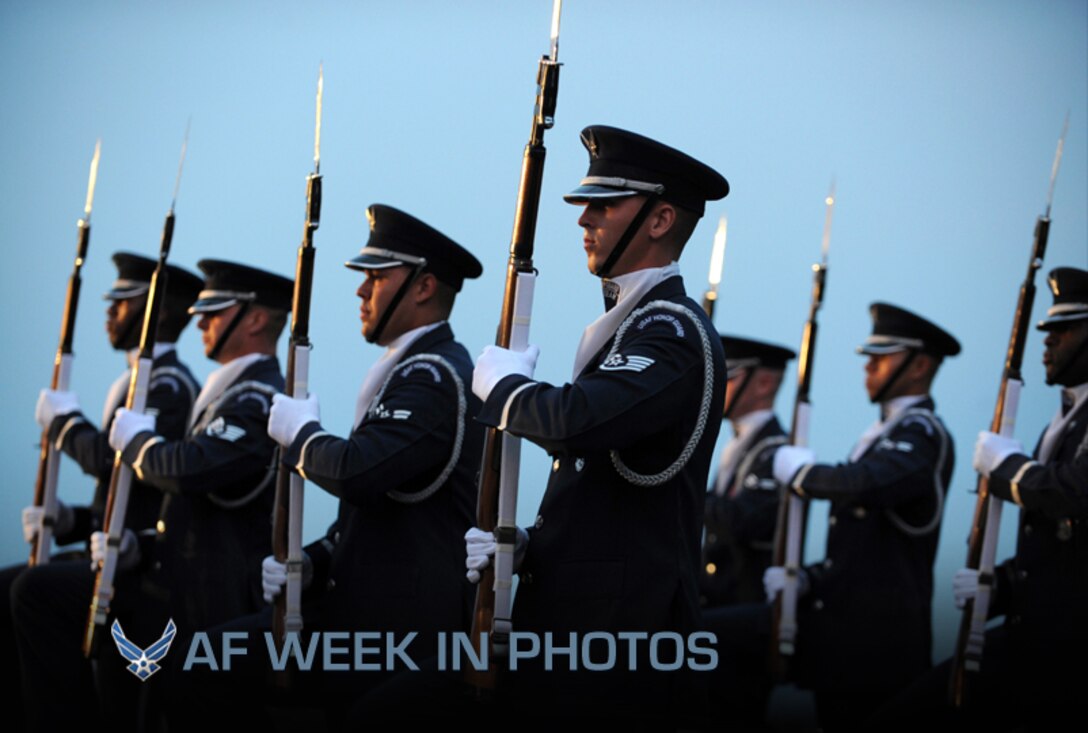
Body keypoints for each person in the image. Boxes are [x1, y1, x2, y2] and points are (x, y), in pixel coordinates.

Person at [466, 125, 729, 727]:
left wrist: (505, 388)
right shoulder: (634, 327)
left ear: (660, 220)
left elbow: (577, 424)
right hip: (584, 631)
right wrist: (531, 547)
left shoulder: (672, 331)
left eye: (605, 204)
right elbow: (607, 490)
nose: (584, 218)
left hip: (624, 644)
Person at [11, 258, 292, 732]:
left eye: (216, 311)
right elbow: (175, 504)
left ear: (257, 319)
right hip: (169, 570)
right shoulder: (230, 393)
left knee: (37, 596)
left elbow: (188, 471)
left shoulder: (255, 398)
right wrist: (103, 529)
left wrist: (117, 438)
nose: (199, 321)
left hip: (210, 588)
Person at [251, 204, 482, 725]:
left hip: (403, 633)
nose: (361, 290)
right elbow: (372, 514)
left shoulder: (434, 377)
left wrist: (302, 435)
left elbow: (360, 473)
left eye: (376, 277)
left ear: (423, 287)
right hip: (368, 620)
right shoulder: (409, 371)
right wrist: (314, 561)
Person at [875, 266, 1087, 729]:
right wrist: (1004, 587)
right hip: (1035, 631)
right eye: (1047, 329)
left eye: (1065, 329)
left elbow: (1074, 495)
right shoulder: (1069, 416)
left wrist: (1007, 468)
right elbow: (1059, 548)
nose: (1048, 341)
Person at [7, 252, 202, 733]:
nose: (110, 312)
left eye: (124, 302)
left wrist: (66, 424)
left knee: (31, 593)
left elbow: (123, 468)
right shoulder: (138, 381)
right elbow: (110, 499)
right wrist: (69, 520)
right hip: (111, 554)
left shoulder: (168, 387)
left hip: (143, 564)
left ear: (155, 311)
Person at [766, 302, 959, 731]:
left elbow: (867, 484)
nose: (868, 366)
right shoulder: (884, 435)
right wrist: (810, 578)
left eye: (882, 356)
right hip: (846, 643)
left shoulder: (922, 433)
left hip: (882, 647)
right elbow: (860, 547)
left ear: (919, 365)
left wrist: (803, 475)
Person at [702, 335, 796, 608]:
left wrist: (685, 493)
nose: (716, 386)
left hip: (747, 603)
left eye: (728, 377)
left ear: (764, 384)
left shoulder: (777, 452)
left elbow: (743, 521)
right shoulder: (741, 442)